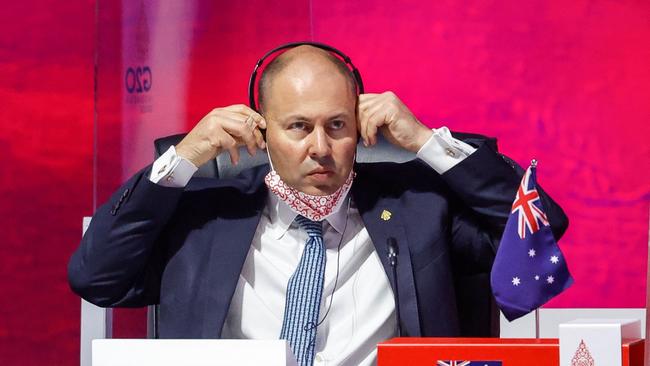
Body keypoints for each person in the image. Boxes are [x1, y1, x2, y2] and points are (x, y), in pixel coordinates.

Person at [69, 45, 568, 366]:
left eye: (336, 125)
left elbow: (542, 227)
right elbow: (96, 277)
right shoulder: (204, 215)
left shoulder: (415, 208)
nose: (320, 148)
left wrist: (425, 141)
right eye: (298, 127)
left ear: (359, 129)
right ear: (262, 130)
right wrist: (184, 159)